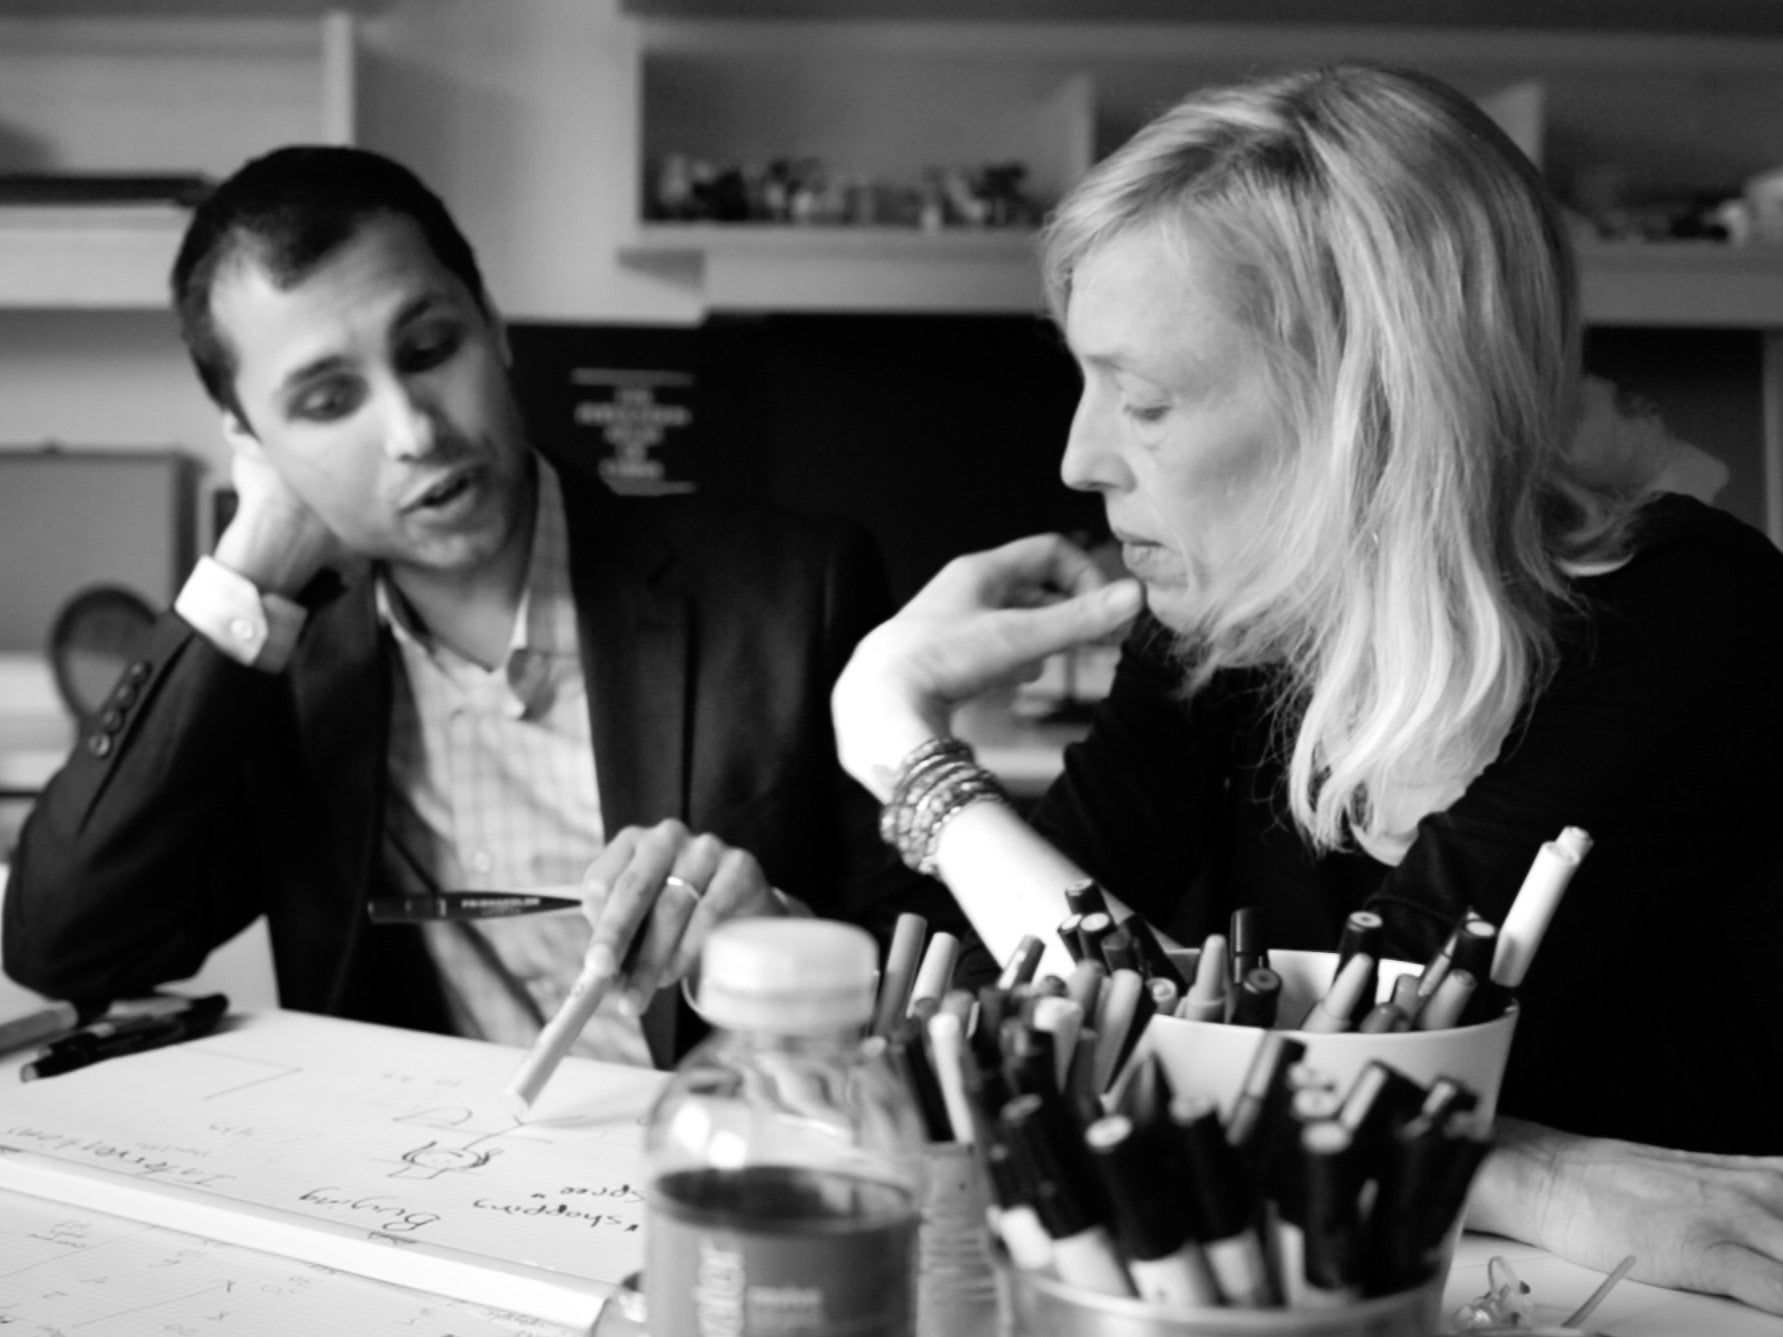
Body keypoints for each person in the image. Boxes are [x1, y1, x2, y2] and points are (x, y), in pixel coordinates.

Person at [830, 66, 1783, 1310]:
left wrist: (912, 757)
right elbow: (994, 1021)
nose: (1077, 456)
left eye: (1146, 399)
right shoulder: (1224, 628)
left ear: (1371, 407)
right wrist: (1519, 1166)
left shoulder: (1690, 616)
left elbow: (1359, 1044)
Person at [2, 144, 979, 1070]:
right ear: (250, 436)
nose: (415, 431)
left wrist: (779, 947)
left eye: (429, 348)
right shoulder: (279, 672)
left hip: (721, 1168)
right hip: (415, 1199)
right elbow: (62, 944)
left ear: (493, 324)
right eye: (326, 402)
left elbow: (951, 1001)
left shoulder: (793, 589)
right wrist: (248, 563)